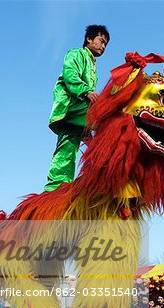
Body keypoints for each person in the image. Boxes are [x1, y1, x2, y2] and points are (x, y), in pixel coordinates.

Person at [44, 25, 110, 191]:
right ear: (89, 39)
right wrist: (86, 91)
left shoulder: (93, 66)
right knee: (109, 118)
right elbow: (70, 74)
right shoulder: (77, 54)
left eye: (106, 45)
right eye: (101, 41)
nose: (103, 46)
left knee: (68, 148)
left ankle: (57, 188)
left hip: (78, 115)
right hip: (71, 105)